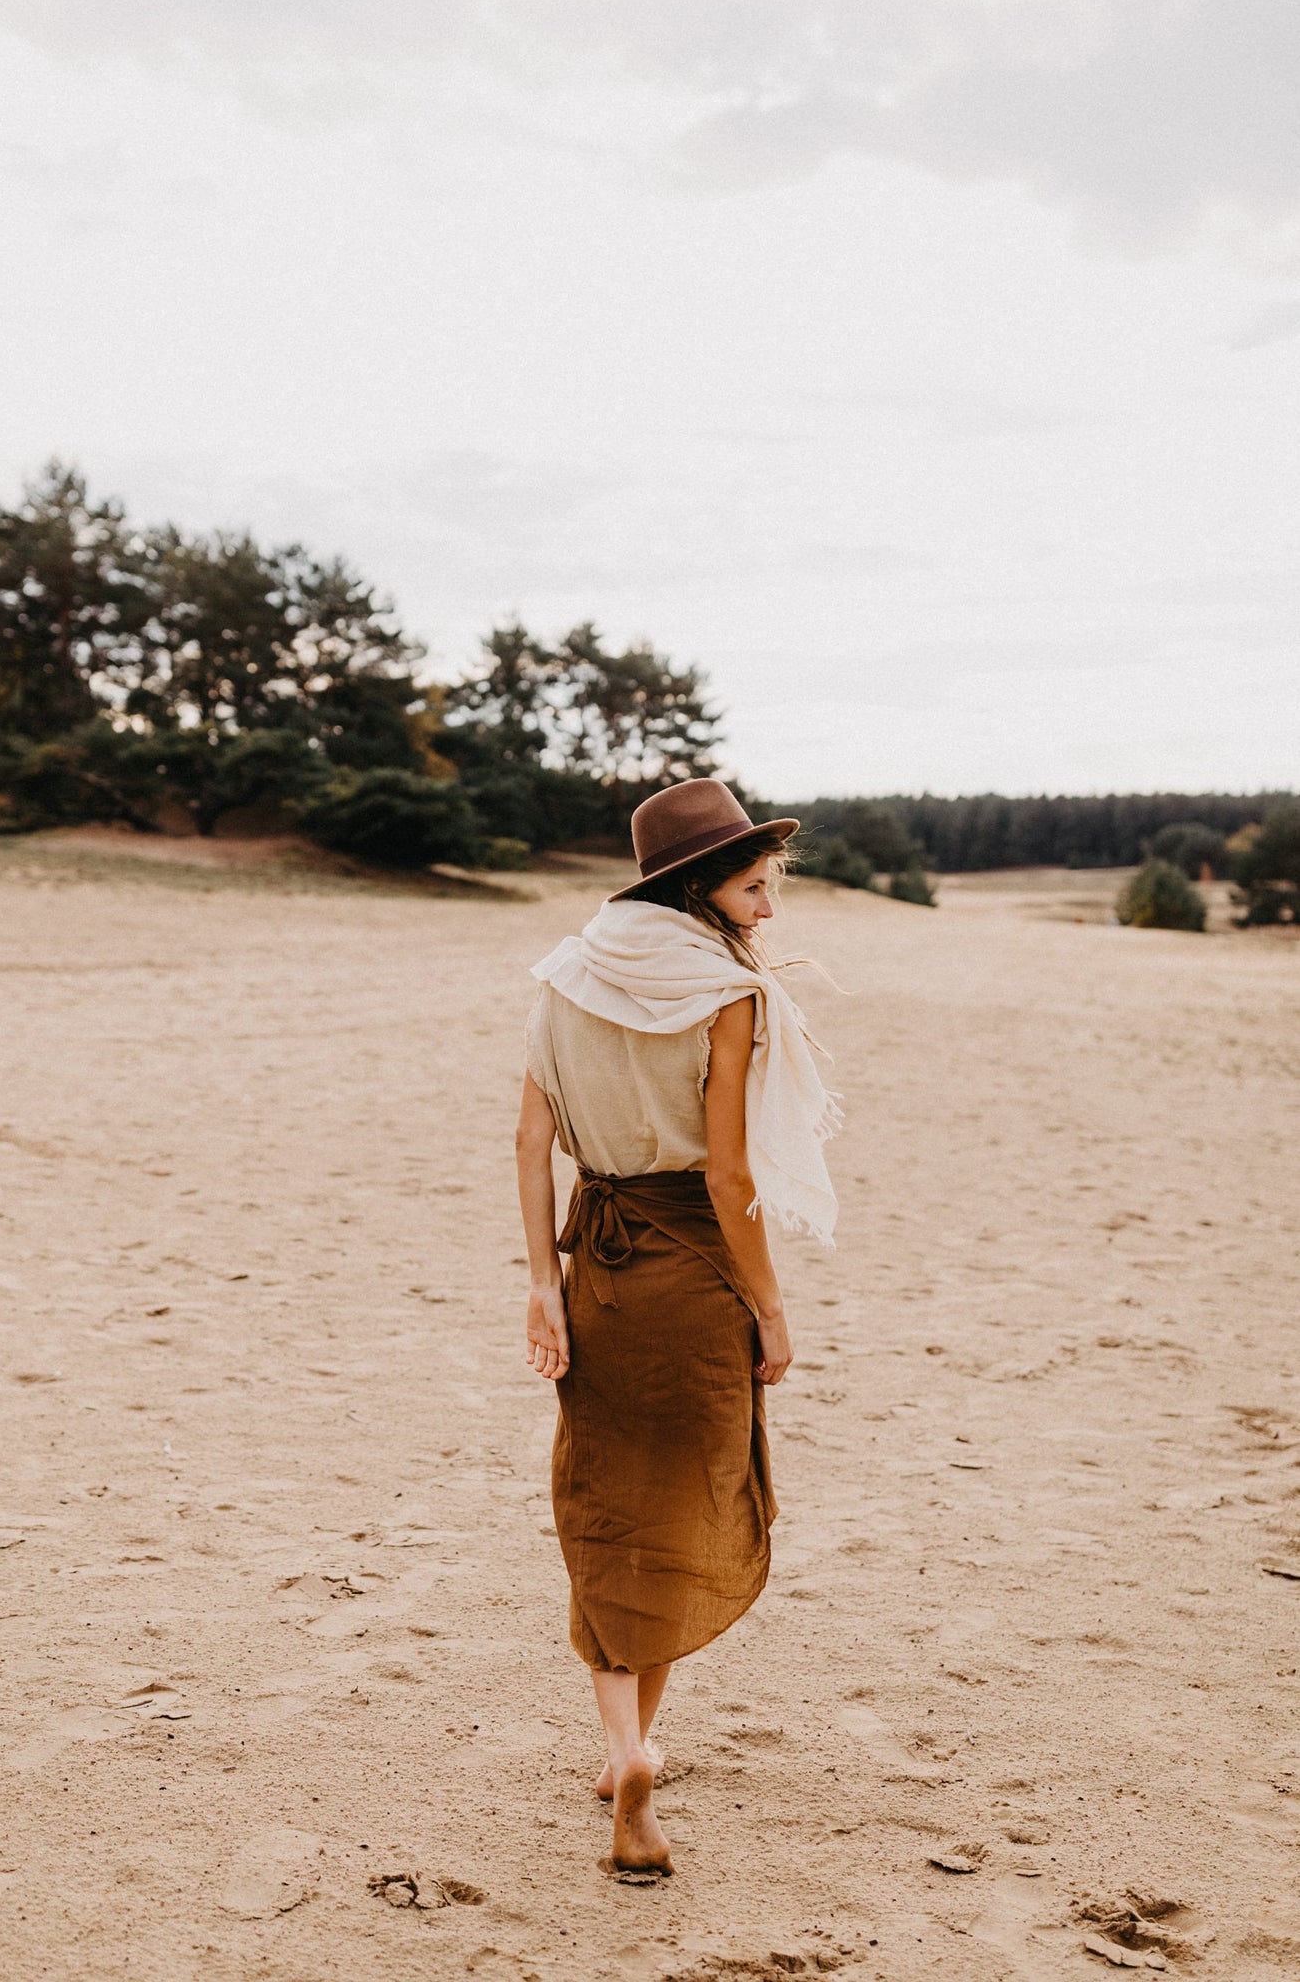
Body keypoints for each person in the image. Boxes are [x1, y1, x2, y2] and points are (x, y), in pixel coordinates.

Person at [515, 777, 841, 1874]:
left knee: (604, 1503)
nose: (767, 909)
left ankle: (622, 1750)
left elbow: (528, 1141)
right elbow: (731, 1171)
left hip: (594, 1265)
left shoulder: (561, 976)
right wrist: (771, 1306)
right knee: (686, 1502)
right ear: (698, 884)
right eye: (753, 888)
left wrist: (538, 1282)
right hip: (694, 1265)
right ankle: (637, 1747)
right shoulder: (722, 994)